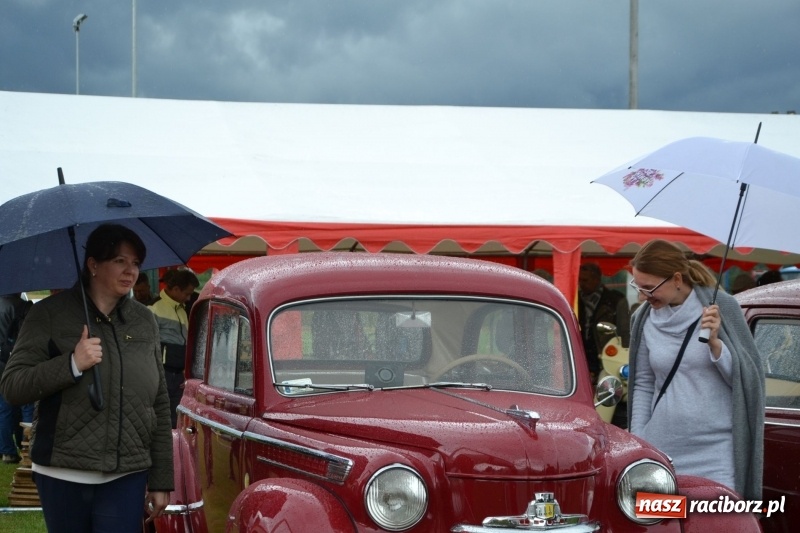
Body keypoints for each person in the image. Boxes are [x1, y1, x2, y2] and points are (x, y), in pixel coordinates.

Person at [0, 224, 173, 532]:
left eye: (135, 263)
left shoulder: (144, 321)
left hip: (127, 473)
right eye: (120, 261)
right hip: (63, 474)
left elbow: (158, 401)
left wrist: (161, 478)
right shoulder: (49, 315)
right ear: (93, 264)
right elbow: (13, 385)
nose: (130, 271)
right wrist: (72, 364)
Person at [627, 239, 764, 500]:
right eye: (638, 286)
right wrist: (640, 441)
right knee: (662, 527)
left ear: (676, 279)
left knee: (717, 525)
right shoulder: (642, 319)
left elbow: (747, 380)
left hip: (716, 454)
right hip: (661, 454)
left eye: (649, 287)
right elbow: (642, 383)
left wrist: (716, 345)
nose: (642, 296)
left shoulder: (722, 308)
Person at [149, 268, 199, 428]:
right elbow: (148, 344)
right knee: (162, 417)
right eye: (187, 293)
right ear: (176, 289)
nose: (189, 298)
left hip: (179, 375)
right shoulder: (154, 308)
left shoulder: (181, 309)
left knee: (176, 417)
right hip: (162, 373)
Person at [577, 262, 630, 380]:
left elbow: (624, 330)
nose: (581, 284)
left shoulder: (616, 300)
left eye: (585, 280)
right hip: (580, 351)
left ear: (597, 279)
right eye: (579, 280)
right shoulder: (575, 299)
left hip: (606, 353)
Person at [0, 293, 33, 463]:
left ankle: (7, 450)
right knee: (26, 405)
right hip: (19, 359)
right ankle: (26, 447)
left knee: (4, 408)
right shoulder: (23, 306)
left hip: (2, 360)